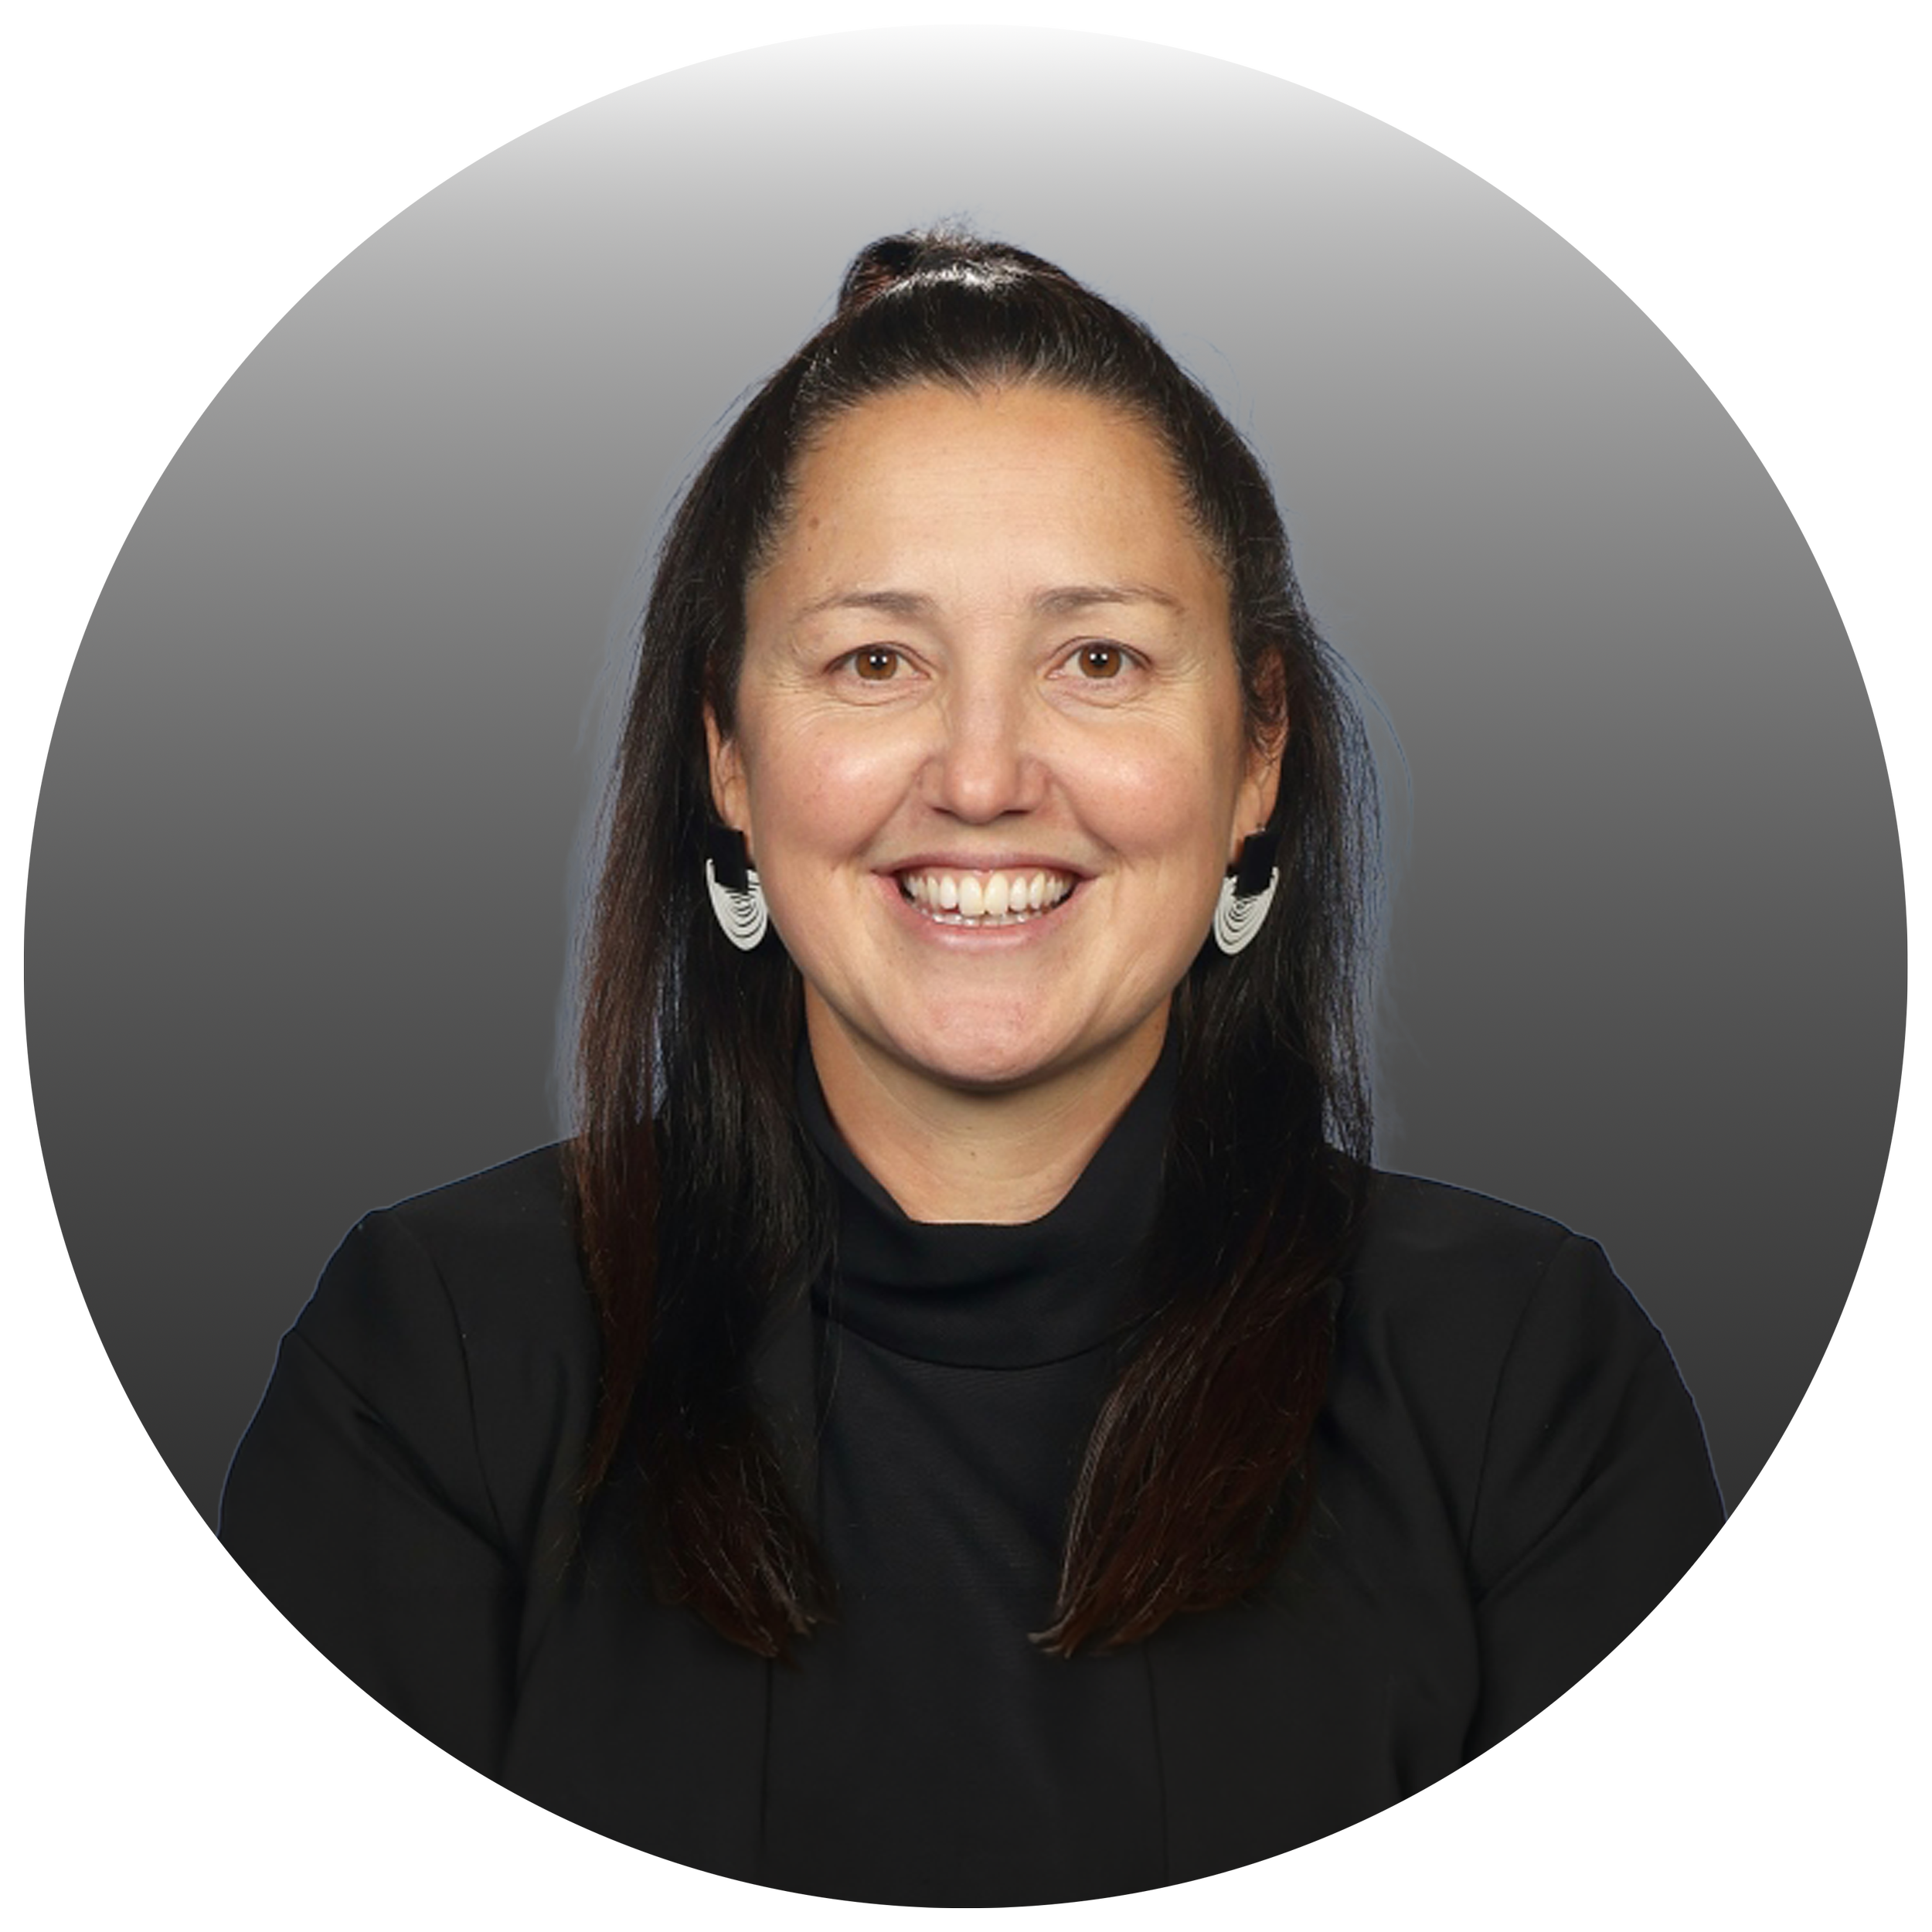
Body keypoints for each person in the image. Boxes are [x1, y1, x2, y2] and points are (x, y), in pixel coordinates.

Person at [218, 228, 1726, 1910]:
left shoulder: (1520, 1380)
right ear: (725, 745)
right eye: (877, 659)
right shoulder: (435, 1366)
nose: (986, 774)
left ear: (1256, 745)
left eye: (1098, 659)